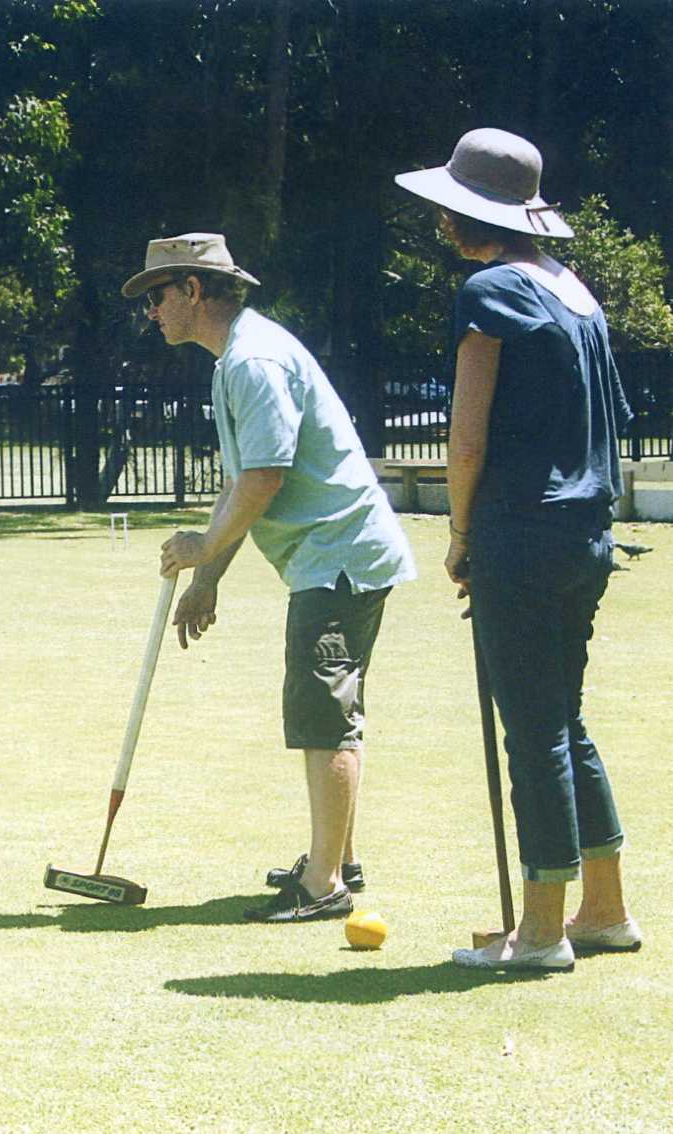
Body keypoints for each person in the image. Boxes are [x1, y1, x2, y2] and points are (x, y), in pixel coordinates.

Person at [396, 129, 641, 971]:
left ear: (473, 216)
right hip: (586, 534)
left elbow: (467, 439)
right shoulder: (574, 291)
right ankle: (602, 910)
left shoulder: (491, 289)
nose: (440, 221)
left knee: (532, 730)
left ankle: (540, 933)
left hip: (521, 535)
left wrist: (462, 537)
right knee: (564, 719)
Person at [134, 233, 416, 922]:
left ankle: (323, 885)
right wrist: (210, 576)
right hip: (337, 555)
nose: (152, 311)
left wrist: (203, 546)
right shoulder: (236, 359)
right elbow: (240, 481)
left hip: (339, 558)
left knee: (325, 714)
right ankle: (336, 856)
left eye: (157, 295)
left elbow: (265, 478)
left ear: (194, 291)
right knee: (332, 709)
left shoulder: (253, 361)